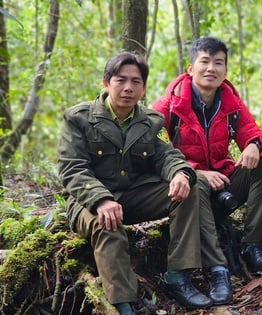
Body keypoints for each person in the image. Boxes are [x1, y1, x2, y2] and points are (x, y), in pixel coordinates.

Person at [57, 52, 212, 314]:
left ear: (143, 88)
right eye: (120, 80)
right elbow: (72, 168)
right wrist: (101, 199)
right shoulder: (78, 119)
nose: (128, 88)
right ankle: (123, 303)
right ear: (105, 83)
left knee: (192, 188)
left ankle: (178, 275)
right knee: (107, 224)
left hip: (132, 196)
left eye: (136, 82)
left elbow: (167, 155)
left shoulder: (151, 122)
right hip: (88, 202)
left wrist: (180, 174)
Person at [152, 36, 262, 302]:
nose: (211, 69)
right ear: (190, 68)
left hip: (223, 181)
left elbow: (252, 131)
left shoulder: (230, 102)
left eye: (218, 63)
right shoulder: (168, 106)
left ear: (225, 70)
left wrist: (253, 145)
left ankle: (254, 243)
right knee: (194, 182)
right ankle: (218, 269)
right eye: (204, 62)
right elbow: (154, 151)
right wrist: (194, 171)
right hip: (186, 187)